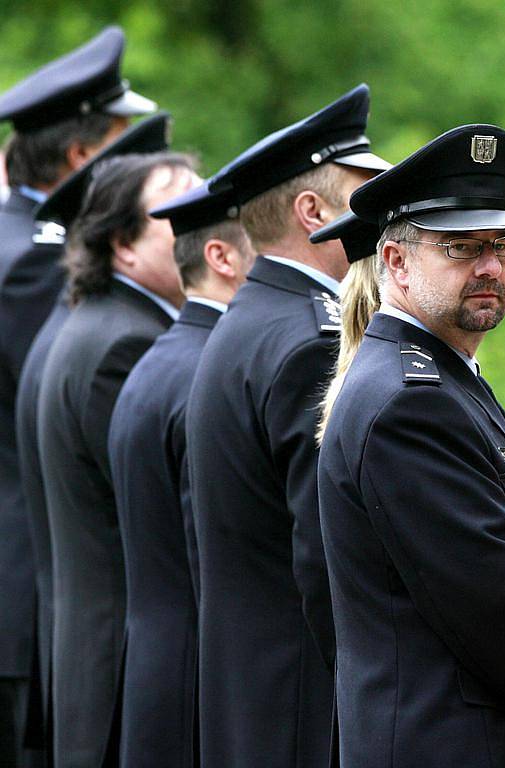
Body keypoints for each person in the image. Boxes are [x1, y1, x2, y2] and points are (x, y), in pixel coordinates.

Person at [316, 125, 505, 768]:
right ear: (397, 261)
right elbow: (495, 597)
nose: (489, 266)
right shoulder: (412, 401)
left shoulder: (440, 380)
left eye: (503, 244)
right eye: (461, 247)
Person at [186, 83, 389, 767]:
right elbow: (323, 552)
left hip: (252, 686)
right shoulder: (308, 340)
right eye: (365, 193)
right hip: (304, 695)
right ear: (312, 211)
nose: (384, 214)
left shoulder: (247, 320)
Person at [0, 28, 155, 766]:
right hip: (27, 588)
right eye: (124, 147)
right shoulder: (35, 261)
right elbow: (62, 416)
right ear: (79, 160)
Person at [37, 152, 198, 768]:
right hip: (123, 665)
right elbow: (158, 512)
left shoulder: (96, 325)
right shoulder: (127, 344)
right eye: (178, 213)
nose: (204, 225)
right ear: (123, 246)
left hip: (102, 656)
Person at [107, 181, 255, 768]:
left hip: (151, 664)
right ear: (220, 258)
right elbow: (212, 555)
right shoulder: (209, 374)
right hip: (199, 676)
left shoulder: (158, 358)